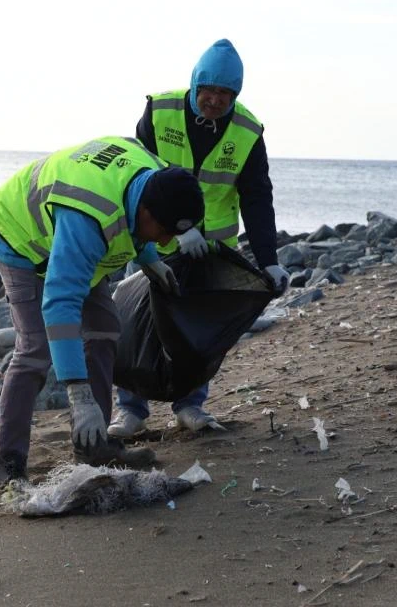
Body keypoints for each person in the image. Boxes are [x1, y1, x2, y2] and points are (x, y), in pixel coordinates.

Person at [0, 136, 205, 487]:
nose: (165, 243)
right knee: (35, 349)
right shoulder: (88, 219)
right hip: (21, 238)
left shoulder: (163, 179)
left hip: (79, 242)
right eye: (162, 234)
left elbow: (141, 227)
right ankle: (7, 465)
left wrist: (150, 259)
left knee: (104, 329)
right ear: (147, 213)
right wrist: (78, 395)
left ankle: (94, 447)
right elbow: (60, 303)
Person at [109, 38, 289, 438]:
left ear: (235, 95)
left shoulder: (247, 130)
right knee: (135, 323)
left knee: (200, 330)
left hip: (210, 249)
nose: (214, 100)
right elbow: (137, 176)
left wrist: (269, 259)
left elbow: (257, 197)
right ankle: (130, 412)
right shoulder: (161, 111)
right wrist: (181, 228)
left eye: (225, 93)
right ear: (194, 85)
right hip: (151, 239)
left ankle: (190, 405)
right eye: (208, 90)